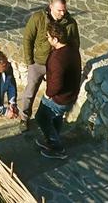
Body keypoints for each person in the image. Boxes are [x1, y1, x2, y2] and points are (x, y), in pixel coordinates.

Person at [22, 0, 80, 129]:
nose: (63, 13)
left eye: (64, 10)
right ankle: (24, 118)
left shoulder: (70, 23)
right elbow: (27, 39)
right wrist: (29, 61)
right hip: (38, 63)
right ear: (51, 6)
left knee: (56, 93)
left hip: (57, 66)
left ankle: (53, 122)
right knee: (29, 92)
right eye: (59, 10)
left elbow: (75, 44)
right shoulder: (38, 18)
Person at [34, 22, 82, 160]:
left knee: (41, 118)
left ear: (55, 39)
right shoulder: (72, 49)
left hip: (59, 98)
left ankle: (57, 148)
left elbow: (56, 84)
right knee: (56, 117)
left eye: (49, 37)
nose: (48, 39)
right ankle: (51, 141)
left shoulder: (57, 59)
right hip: (70, 95)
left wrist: (47, 94)